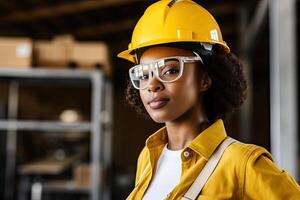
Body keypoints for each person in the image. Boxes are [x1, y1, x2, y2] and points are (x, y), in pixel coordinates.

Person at [118, 0, 300, 199]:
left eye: (170, 70)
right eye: (144, 75)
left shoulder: (242, 164)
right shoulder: (148, 157)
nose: (152, 84)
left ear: (205, 78)